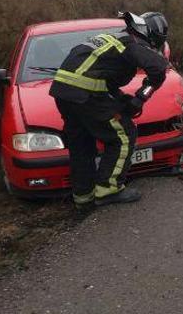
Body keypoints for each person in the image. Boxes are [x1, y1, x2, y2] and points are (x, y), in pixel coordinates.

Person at [49, 11, 170, 209]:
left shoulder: (110, 39)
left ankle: (83, 198)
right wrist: (141, 98)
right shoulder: (131, 44)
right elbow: (158, 69)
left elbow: (101, 78)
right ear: (153, 35)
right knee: (123, 134)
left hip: (64, 94)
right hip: (85, 95)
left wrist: (123, 100)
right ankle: (108, 189)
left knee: (82, 146)